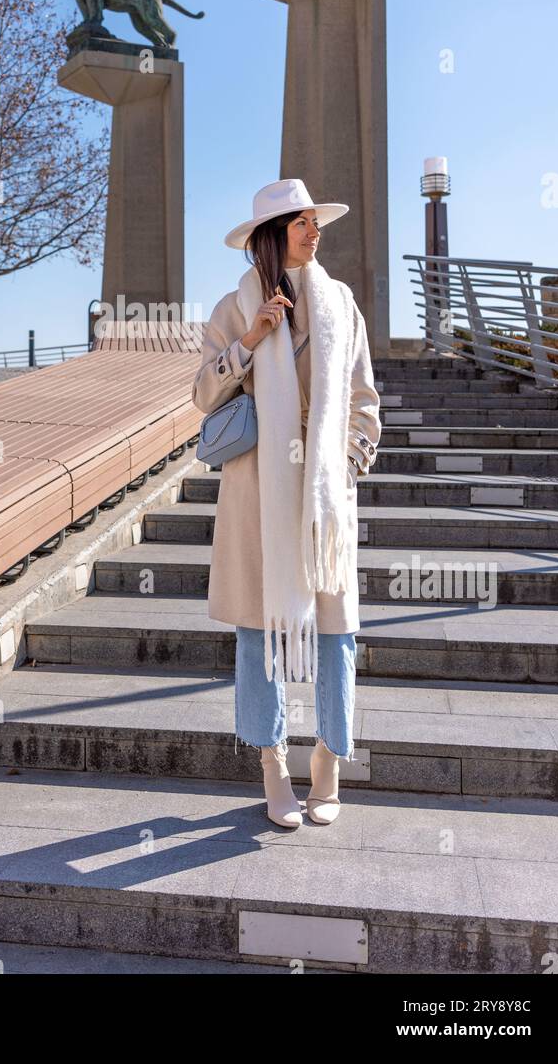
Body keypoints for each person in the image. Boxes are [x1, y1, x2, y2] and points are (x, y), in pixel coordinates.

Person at [191, 179, 381, 829]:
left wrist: (349, 467)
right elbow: (202, 397)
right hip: (257, 493)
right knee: (258, 635)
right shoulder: (233, 307)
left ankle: (327, 761)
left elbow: (363, 399)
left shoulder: (341, 304)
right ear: (272, 237)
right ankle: (272, 764)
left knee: (336, 635)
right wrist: (251, 339)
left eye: (313, 220)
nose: (313, 229)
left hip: (324, 496)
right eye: (300, 222)